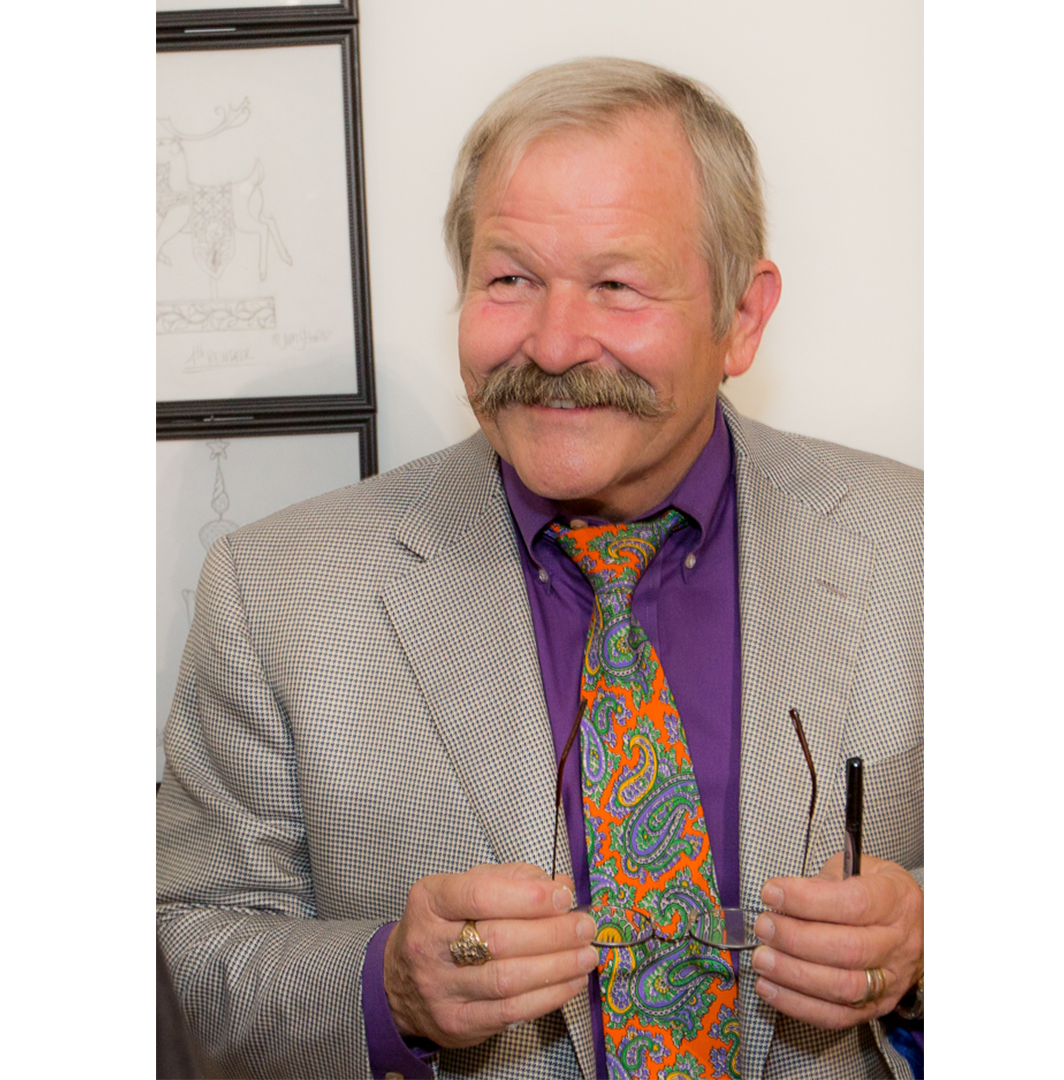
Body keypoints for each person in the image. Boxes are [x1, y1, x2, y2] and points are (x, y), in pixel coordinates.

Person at [157, 58, 922, 1080]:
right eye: (510, 279)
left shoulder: (925, 548)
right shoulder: (275, 595)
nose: (555, 345)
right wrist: (389, 988)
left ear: (741, 317)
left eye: (617, 285)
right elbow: (187, 959)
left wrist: (927, 945)